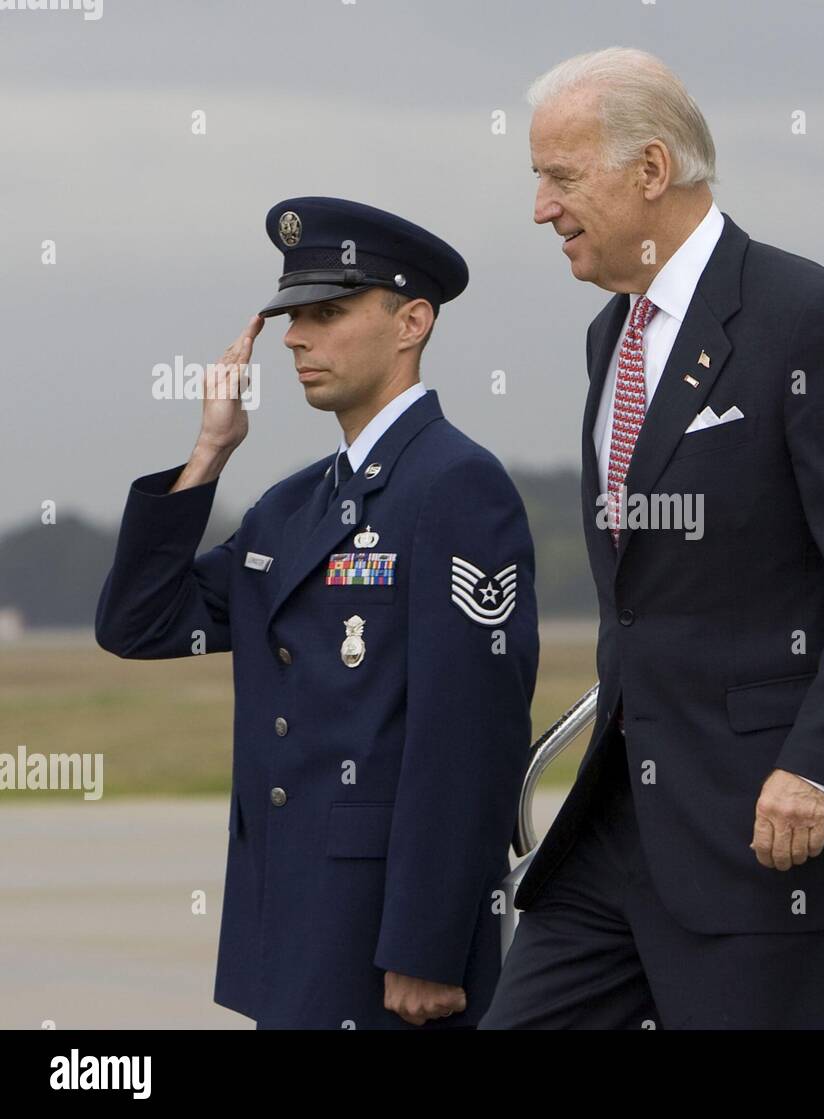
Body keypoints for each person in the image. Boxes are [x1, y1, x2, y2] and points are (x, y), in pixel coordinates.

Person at [480, 48, 824, 1030]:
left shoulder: (801, 319)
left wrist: (815, 769)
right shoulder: (611, 335)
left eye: (561, 178)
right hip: (620, 823)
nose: (540, 208)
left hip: (764, 833)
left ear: (649, 170)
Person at [95, 197, 538, 1028]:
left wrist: (427, 944)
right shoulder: (294, 504)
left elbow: (470, 736)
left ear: (412, 322)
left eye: (328, 313)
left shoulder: (455, 486)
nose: (297, 337)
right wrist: (209, 453)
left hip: (387, 939)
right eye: (293, 316)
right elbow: (140, 623)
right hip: (291, 917)